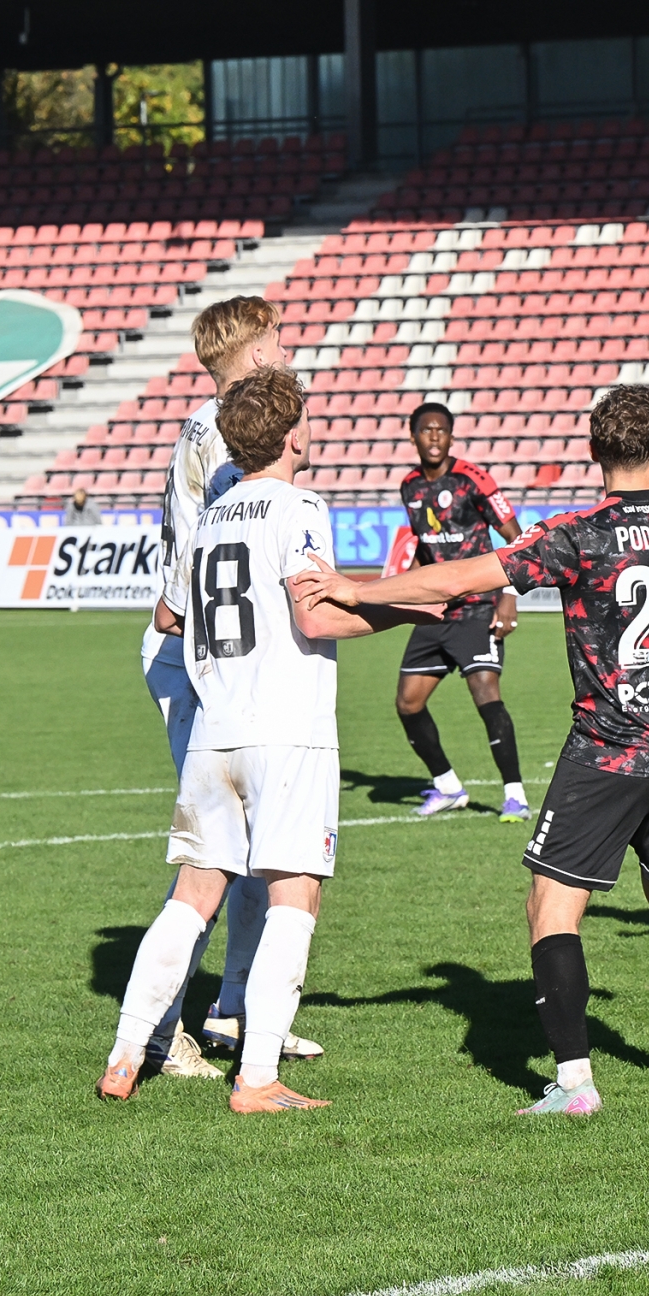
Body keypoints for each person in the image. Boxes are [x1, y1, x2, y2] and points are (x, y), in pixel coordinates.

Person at [292, 385, 649, 1116]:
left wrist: (360, 593)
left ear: (593, 450)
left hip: (612, 746)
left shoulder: (578, 532)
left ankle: (574, 1083)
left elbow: (462, 575)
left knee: (551, 905)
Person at [99, 366, 436, 1112]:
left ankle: (125, 1053)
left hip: (213, 729)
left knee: (192, 897)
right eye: (305, 418)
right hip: (286, 731)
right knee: (295, 894)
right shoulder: (300, 505)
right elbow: (315, 615)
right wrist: (409, 610)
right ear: (291, 435)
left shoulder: (213, 513)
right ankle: (255, 1077)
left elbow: (167, 617)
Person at [135, 295, 318, 1082]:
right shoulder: (221, 437)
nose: (287, 350)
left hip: (212, 645)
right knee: (216, 848)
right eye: (278, 339)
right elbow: (197, 578)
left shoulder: (215, 424)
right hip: (199, 651)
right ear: (254, 350)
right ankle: (160, 1030)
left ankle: (235, 1009)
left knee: (250, 843)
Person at [392, 402, 529, 820]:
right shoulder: (409, 486)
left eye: (442, 430)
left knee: (486, 693)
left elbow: (516, 538)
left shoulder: (474, 480)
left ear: (451, 437)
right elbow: (424, 546)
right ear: (413, 436)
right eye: (426, 430)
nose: (434, 436)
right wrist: (406, 593)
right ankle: (448, 787)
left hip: (478, 606)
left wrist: (509, 595)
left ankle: (516, 797)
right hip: (436, 610)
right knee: (408, 703)